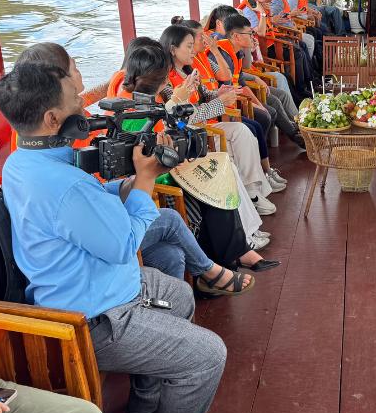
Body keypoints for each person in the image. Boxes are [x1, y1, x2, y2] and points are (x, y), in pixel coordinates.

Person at [0, 61, 227, 413]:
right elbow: (123, 244)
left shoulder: (22, 162)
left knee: (180, 296)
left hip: (89, 286)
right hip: (95, 319)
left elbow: (83, 206)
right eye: (76, 99)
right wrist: (146, 183)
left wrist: (125, 184)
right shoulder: (64, 184)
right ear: (54, 119)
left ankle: (144, 408)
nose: (85, 108)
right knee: (208, 355)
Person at [16, 41, 259, 291]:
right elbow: (119, 243)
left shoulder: (35, 154)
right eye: (74, 69)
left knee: (172, 254)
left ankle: (214, 267)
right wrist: (144, 178)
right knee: (195, 198)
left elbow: (96, 193)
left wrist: (131, 182)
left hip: (109, 212)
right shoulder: (64, 174)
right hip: (92, 275)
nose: (81, 82)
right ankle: (214, 267)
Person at [119, 41, 281, 270]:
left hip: (170, 163)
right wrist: (177, 100)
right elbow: (152, 136)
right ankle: (231, 256)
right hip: (155, 176)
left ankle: (239, 250)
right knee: (212, 179)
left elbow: (174, 125)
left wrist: (179, 101)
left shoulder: (155, 94)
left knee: (219, 170)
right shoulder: (131, 105)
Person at [159, 24, 285, 208]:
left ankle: (253, 190)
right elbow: (184, 117)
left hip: (204, 127)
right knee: (238, 143)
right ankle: (248, 198)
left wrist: (218, 93)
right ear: (173, 49)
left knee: (243, 131)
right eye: (189, 45)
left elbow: (203, 96)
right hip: (191, 135)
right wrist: (220, 103)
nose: (193, 49)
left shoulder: (189, 71)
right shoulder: (166, 82)